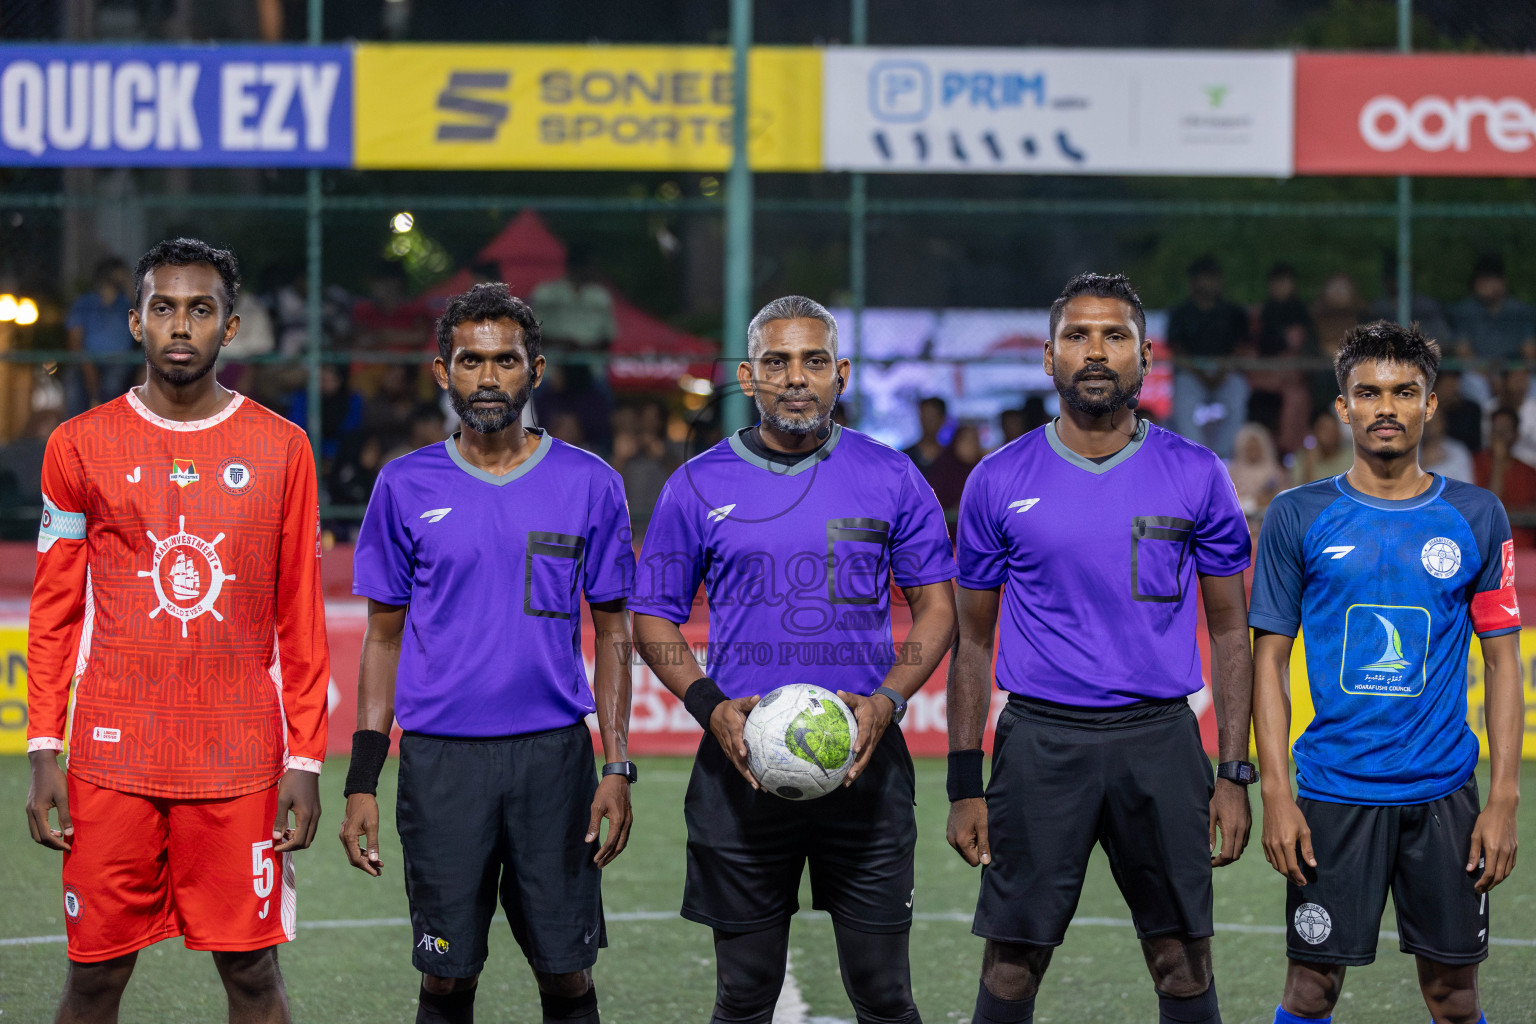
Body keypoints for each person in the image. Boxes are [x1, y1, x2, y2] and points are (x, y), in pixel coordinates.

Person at [25, 237, 330, 1023]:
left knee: (254, 979)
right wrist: (43, 748)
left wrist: (304, 757)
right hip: (111, 759)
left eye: (201, 309)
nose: (181, 325)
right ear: (135, 322)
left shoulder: (283, 449)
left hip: (238, 761)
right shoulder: (77, 445)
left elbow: (300, 614)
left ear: (231, 328)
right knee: (92, 979)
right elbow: (54, 608)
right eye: (164, 308)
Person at [631, 295, 957, 1024]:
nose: (796, 378)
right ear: (748, 378)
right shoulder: (698, 484)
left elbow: (938, 607)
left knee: (883, 993)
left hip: (865, 766)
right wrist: (710, 705)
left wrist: (889, 700)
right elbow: (652, 615)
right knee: (743, 995)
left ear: (841, 374)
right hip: (739, 768)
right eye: (777, 362)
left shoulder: (892, 476)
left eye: (814, 361)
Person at [948, 272, 1254, 1024]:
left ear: (1146, 355)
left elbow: (1228, 631)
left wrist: (1234, 772)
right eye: (1076, 336)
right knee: (1013, 964)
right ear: (1048, 357)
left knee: (1183, 961)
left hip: (1161, 740)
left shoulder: (1195, 471)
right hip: (1040, 742)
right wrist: (964, 782)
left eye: (1113, 335)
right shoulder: (997, 480)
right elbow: (972, 640)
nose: (1095, 351)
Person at [340, 283, 635, 1024]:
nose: (489, 377)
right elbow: (382, 637)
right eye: (471, 360)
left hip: (553, 763)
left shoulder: (590, 483)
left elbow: (614, 634)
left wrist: (617, 764)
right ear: (444, 373)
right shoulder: (403, 485)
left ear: (535, 370)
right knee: (446, 978)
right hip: (442, 765)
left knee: (567, 974)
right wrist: (363, 779)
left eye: (506, 361)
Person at [1250, 321, 1522, 1024]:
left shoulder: (1477, 514)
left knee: (1454, 997)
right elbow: (1269, 661)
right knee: (1311, 990)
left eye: (1405, 392)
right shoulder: (1297, 515)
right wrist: (1276, 795)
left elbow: (1501, 660)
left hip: (1446, 798)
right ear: (1342, 406)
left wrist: (1503, 800)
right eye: (1367, 392)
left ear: (1430, 405)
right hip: (1334, 793)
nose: (1386, 407)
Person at [1167, 255, 1251, 458]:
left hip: (1226, 370)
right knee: (1183, 401)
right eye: (1202, 277)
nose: (1207, 282)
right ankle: (1195, 456)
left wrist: (1221, 372)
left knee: (1238, 391)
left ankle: (1223, 456)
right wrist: (1201, 375)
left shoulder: (1233, 312)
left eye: (1211, 277)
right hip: (1190, 371)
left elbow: (1241, 347)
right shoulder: (1180, 312)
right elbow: (1177, 349)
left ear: (1219, 280)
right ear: (1192, 281)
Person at [65, 256, 135, 413]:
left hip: (119, 360)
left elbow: (145, 315)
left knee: (113, 383)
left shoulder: (127, 304)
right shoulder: (85, 303)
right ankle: (75, 431)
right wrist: (87, 366)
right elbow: (74, 339)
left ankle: (108, 428)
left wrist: (128, 286)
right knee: (73, 383)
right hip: (87, 359)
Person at [1450, 254, 1536, 366]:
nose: (1484, 285)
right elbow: (1463, 352)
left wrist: (1512, 374)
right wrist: (1486, 374)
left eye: (1489, 279)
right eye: (1481, 280)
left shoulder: (1520, 311)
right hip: (1478, 372)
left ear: (1503, 282)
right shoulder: (1464, 311)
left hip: (1514, 373)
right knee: (1474, 382)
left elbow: (1529, 351)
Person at [1475, 407, 1536, 547]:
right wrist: (1498, 461)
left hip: (1523, 548)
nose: (1499, 435)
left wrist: (1510, 511)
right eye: (1496, 429)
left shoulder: (1528, 471)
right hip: (1488, 548)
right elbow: (1489, 508)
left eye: (1505, 429)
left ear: (1516, 435)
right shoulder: (1475, 463)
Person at [1228, 422, 1289, 526]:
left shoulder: (1275, 472)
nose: (1253, 451)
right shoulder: (1231, 472)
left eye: (1256, 448)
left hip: (1269, 522)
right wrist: (1252, 502)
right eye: (1250, 448)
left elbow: (1286, 499)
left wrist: (1269, 499)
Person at [1291, 409, 1353, 486]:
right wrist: (1309, 466)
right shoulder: (1303, 458)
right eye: (1325, 429)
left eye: (1333, 429)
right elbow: (1300, 494)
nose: (1330, 434)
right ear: (1314, 432)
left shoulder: (1353, 457)